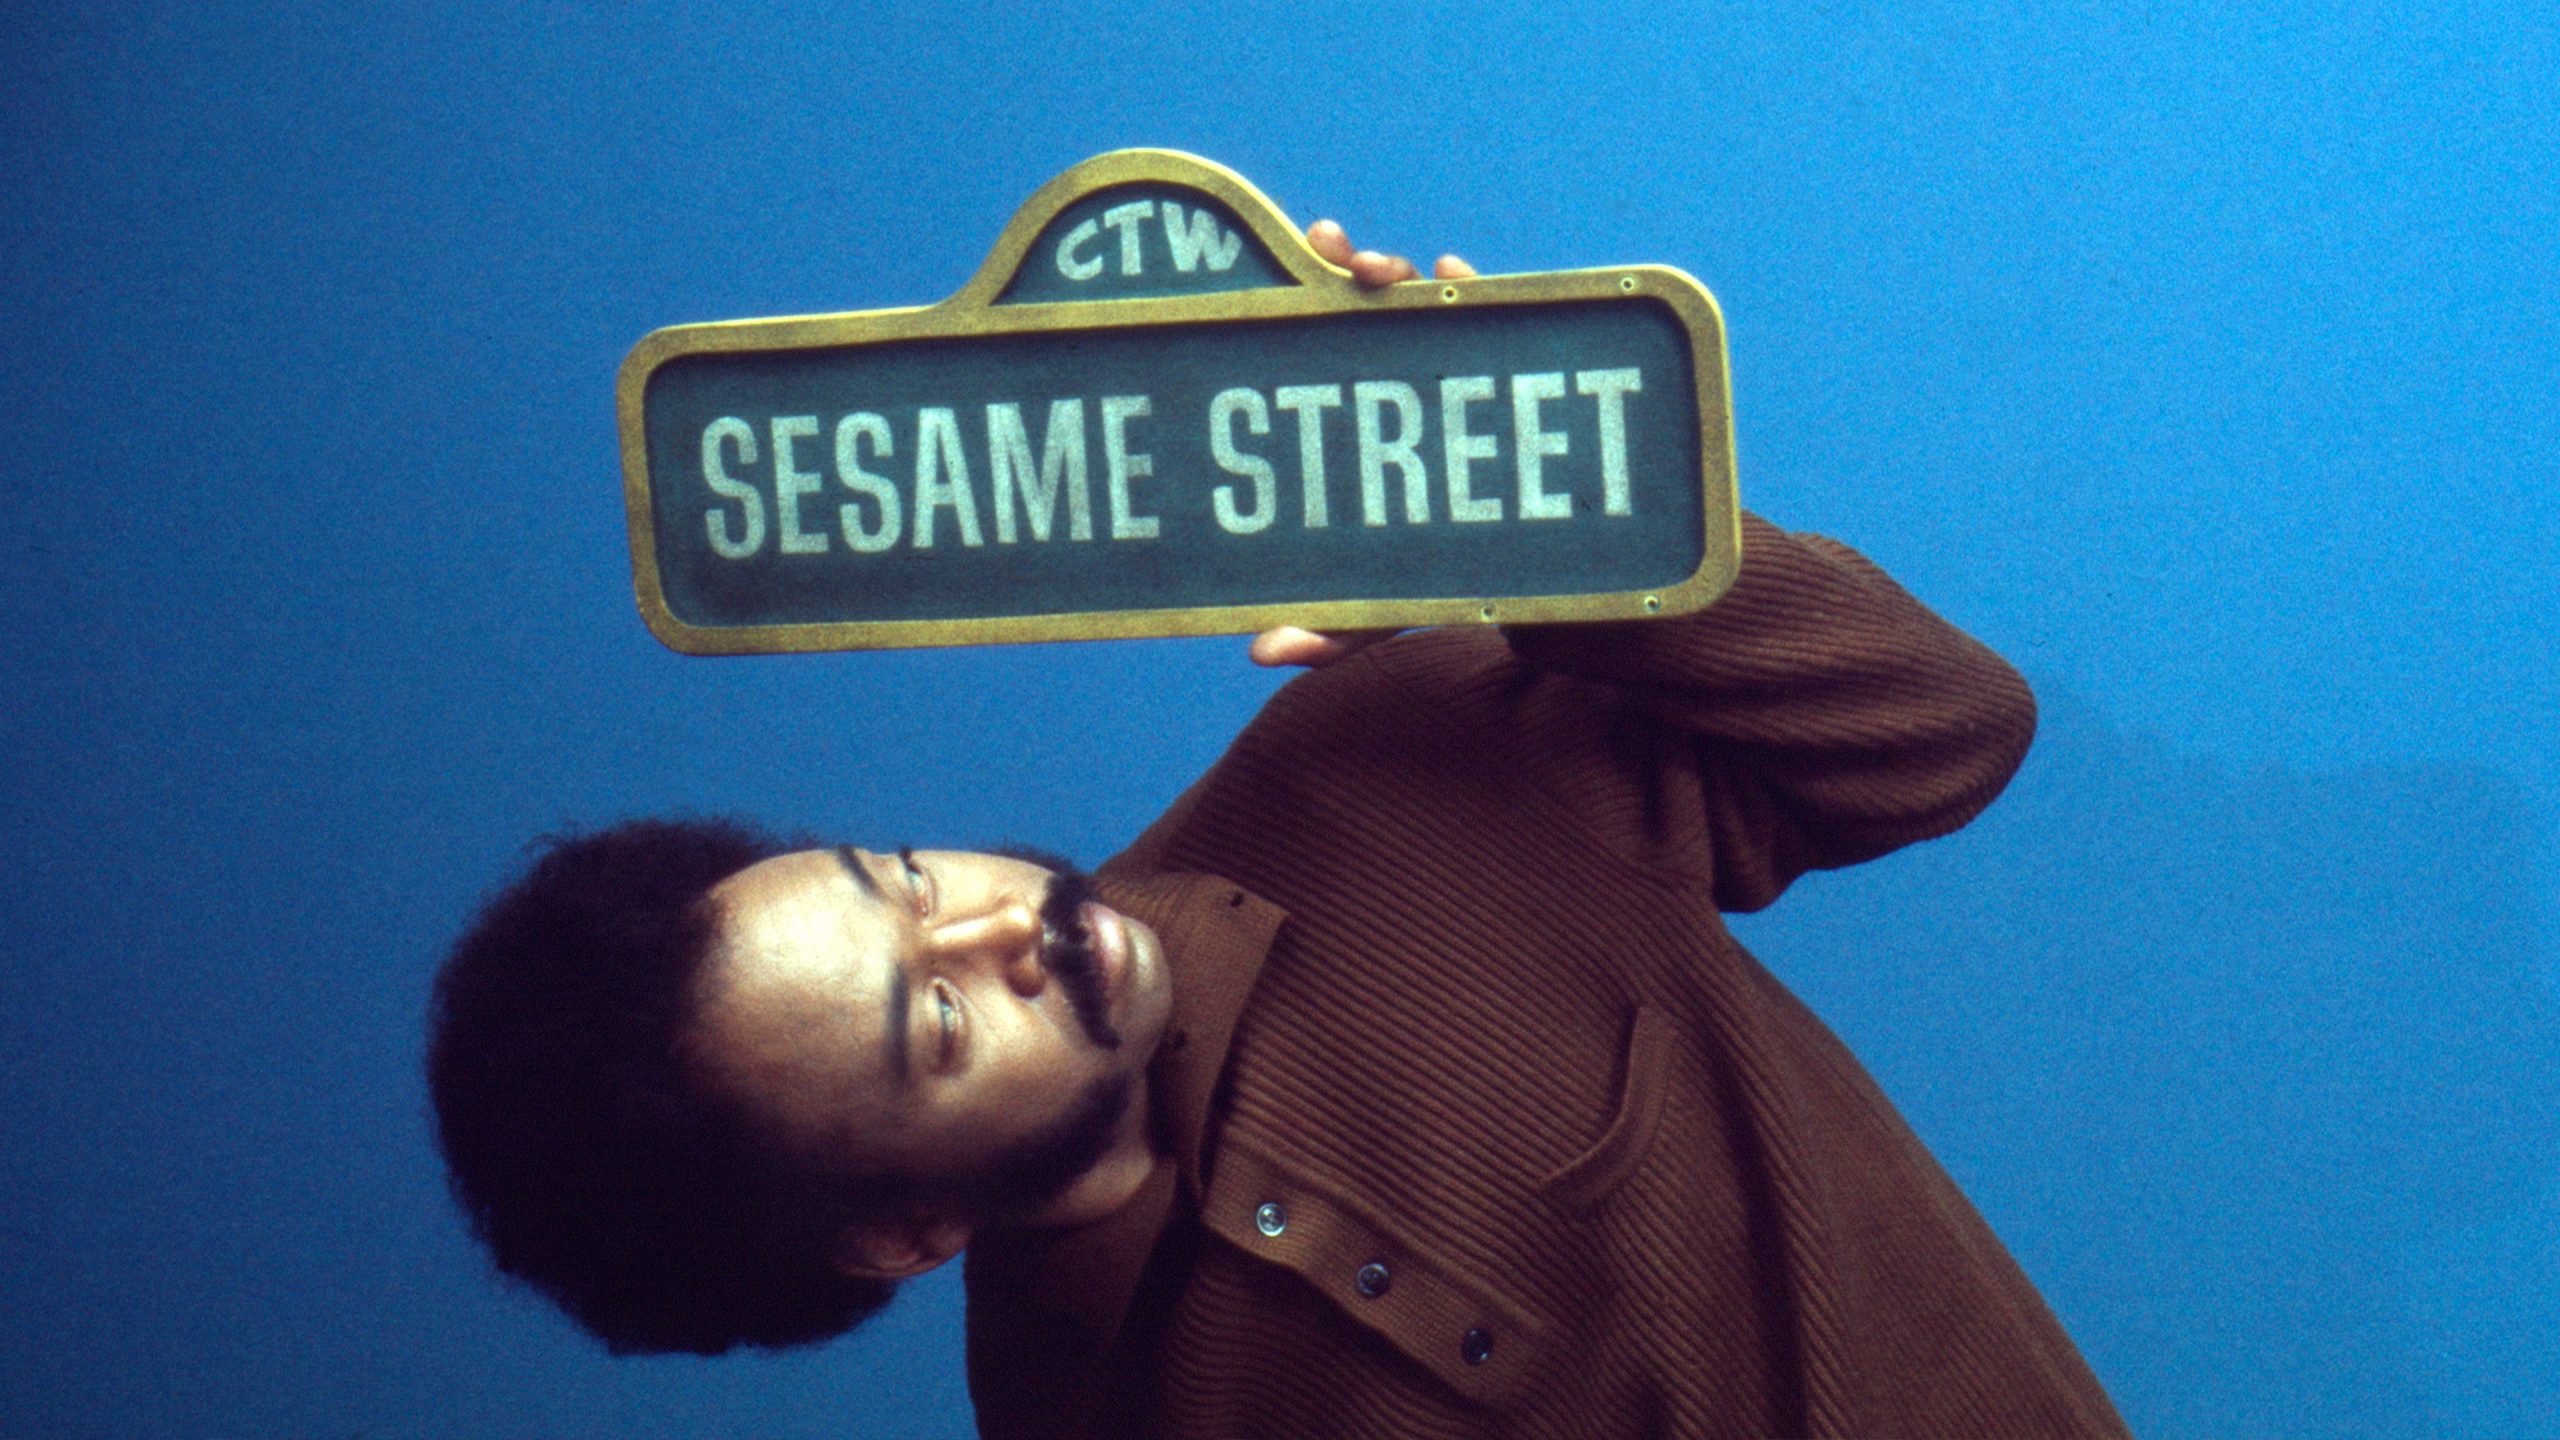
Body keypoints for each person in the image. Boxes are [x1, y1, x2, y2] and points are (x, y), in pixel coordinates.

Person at [427, 220, 2128, 1437]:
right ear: (901, 1236)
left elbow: (1946, 737)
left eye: (910, 880)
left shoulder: (1372, 762)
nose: (1004, 925)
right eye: (935, 1021)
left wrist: (1544, 520)